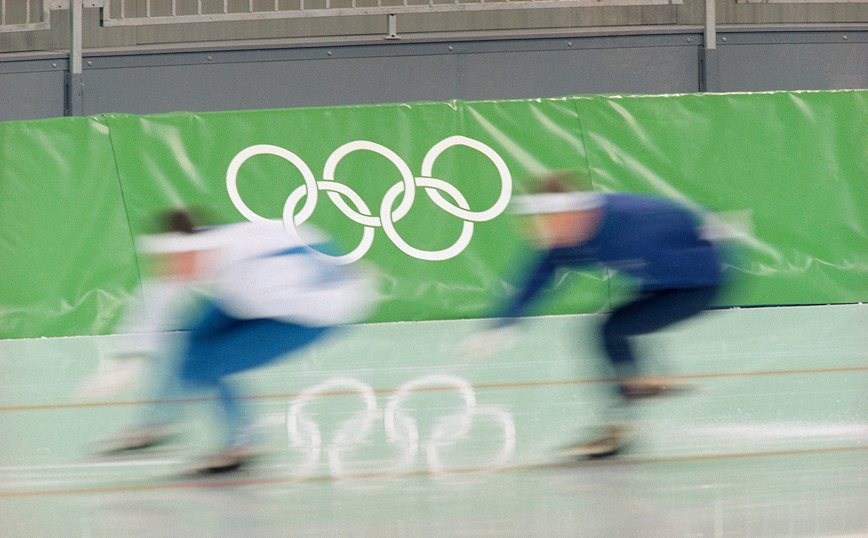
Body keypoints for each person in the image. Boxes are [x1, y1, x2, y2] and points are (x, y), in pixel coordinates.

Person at [465, 172, 726, 458]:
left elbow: (694, 220)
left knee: (614, 330)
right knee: (610, 331)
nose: (548, 233)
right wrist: (504, 324)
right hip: (660, 284)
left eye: (551, 222)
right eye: (541, 223)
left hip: (704, 281)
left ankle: (633, 401)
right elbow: (535, 278)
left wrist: (713, 236)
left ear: (576, 212)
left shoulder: (630, 218)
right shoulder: (566, 240)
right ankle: (628, 410)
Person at [98, 209, 379, 473]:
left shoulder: (256, 276)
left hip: (313, 313)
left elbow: (321, 272)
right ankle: (155, 423)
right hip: (257, 294)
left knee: (209, 364)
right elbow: (160, 295)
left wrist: (351, 278)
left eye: (176, 261)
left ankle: (244, 443)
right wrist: (129, 357)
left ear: (193, 250)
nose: (172, 270)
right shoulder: (202, 250)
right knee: (192, 347)